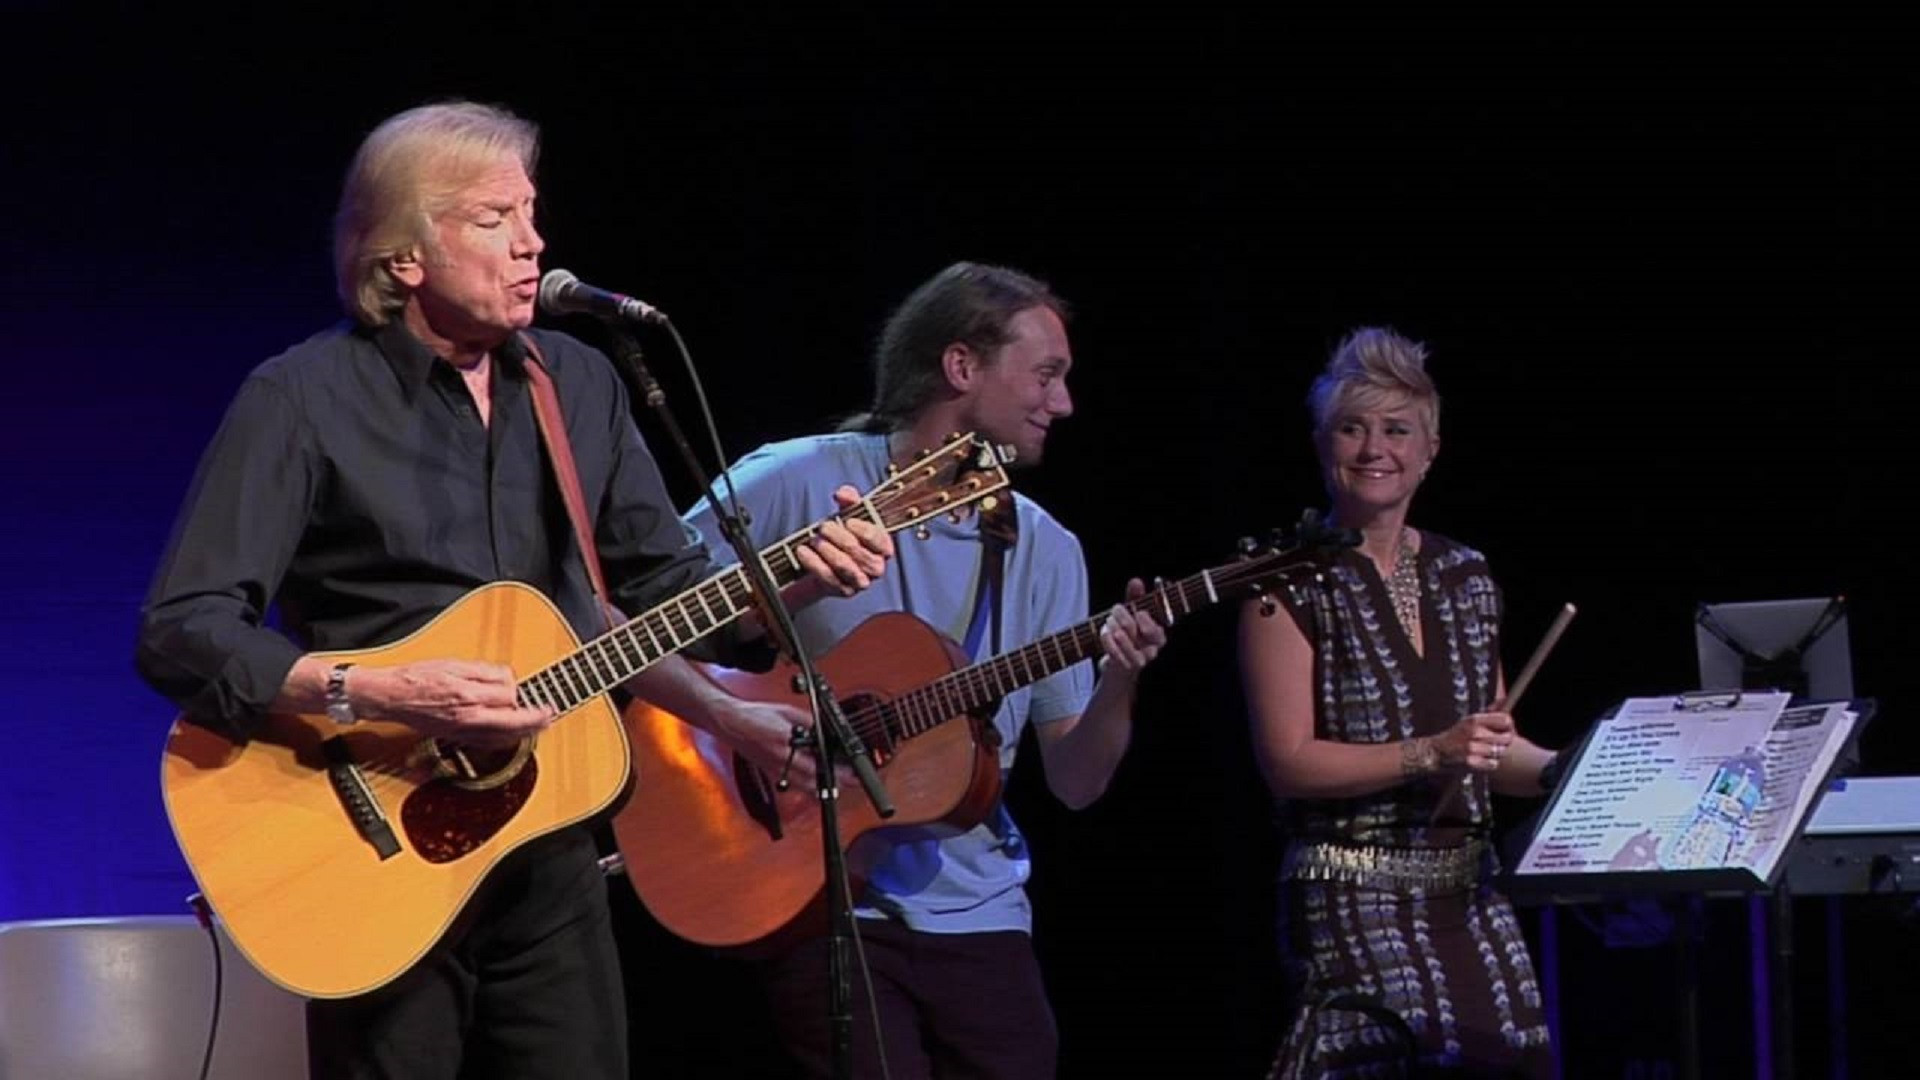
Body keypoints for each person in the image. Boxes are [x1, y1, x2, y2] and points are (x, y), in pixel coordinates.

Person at [133, 100, 892, 1080]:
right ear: (405, 256)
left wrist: (794, 579)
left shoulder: (577, 382)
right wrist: (378, 691)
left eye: (531, 212)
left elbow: (668, 589)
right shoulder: (302, 399)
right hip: (372, 846)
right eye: (495, 219)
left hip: (548, 847)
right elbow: (182, 629)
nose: (533, 242)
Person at [679, 261, 1166, 1079]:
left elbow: (1077, 783)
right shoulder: (796, 481)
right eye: (1046, 374)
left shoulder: (1046, 549)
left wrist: (1122, 678)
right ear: (962, 365)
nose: (1064, 403)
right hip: (820, 897)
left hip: (981, 914)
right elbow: (641, 621)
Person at [1239, 327, 1559, 1078]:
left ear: (1430, 449)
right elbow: (1289, 762)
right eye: (1352, 428)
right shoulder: (1282, 581)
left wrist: (1565, 770)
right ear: (1322, 445)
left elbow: (1491, 747)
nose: (1373, 448)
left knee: (1512, 1057)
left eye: (1396, 430)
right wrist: (1432, 752)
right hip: (1350, 889)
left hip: (1470, 892)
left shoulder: (1467, 575)